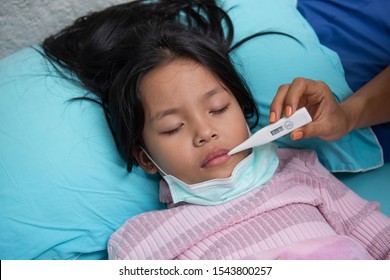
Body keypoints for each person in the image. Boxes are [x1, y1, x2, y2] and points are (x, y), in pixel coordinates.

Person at [41, 0, 390, 259]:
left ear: (244, 111)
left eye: (218, 109)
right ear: (145, 158)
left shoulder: (303, 173)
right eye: (173, 127)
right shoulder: (140, 243)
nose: (205, 132)